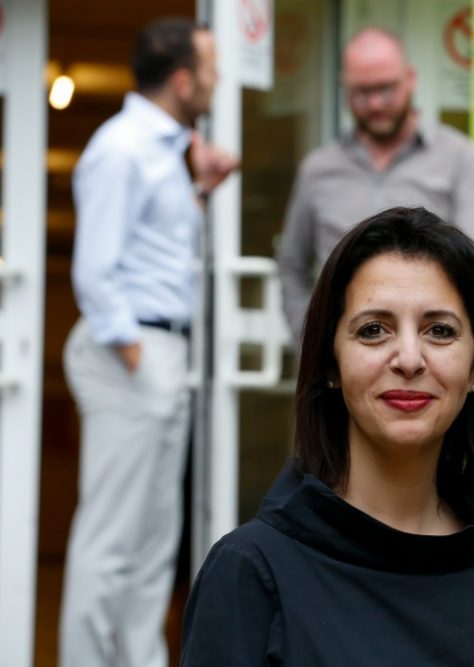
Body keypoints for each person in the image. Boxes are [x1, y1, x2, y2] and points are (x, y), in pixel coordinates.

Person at [181, 207, 474, 666]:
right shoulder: (252, 571)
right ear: (331, 364)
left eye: (440, 331)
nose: (410, 359)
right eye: (374, 330)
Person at [61, 17, 237, 667]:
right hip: (131, 355)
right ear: (185, 78)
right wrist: (133, 352)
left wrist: (199, 193)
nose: (220, 80)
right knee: (110, 540)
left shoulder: (165, 149)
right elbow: (95, 269)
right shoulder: (123, 147)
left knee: (152, 543)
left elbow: (150, 249)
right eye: (214, 69)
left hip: (162, 355)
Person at [277, 27, 474, 341]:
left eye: (386, 88)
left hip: (426, 354)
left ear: (411, 79)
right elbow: (291, 266)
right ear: (344, 88)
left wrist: (456, 349)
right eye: (362, 92)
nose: (376, 103)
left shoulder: (458, 158)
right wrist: (310, 342)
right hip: (339, 362)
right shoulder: (318, 168)